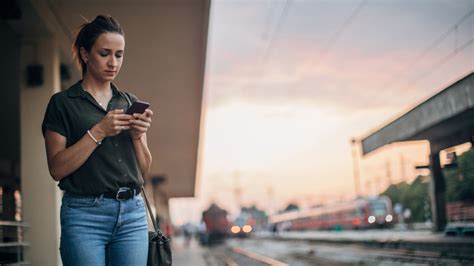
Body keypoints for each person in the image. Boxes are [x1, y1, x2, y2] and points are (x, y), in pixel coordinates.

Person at [42, 15, 153, 265]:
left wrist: (137, 137)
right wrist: (99, 131)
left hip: (132, 215)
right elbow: (56, 169)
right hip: (84, 215)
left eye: (119, 54)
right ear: (84, 53)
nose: (113, 62)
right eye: (105, 53)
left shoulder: (129, 102)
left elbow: (144, 170)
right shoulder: (62, 104)